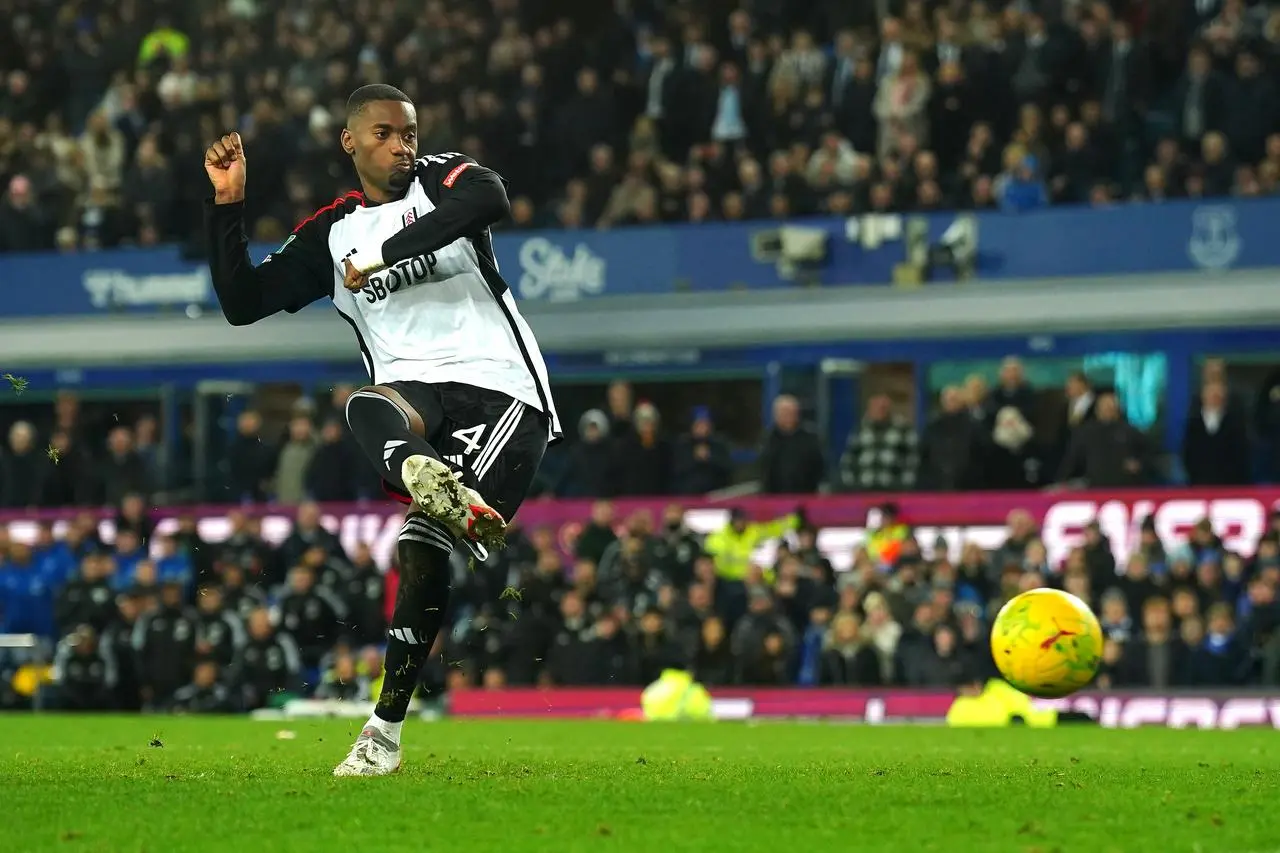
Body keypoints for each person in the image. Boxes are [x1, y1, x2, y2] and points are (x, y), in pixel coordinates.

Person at [202, 83, 563, 776]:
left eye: (410, 132)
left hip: (502, 394)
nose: (404, 145)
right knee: (362, 407)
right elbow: (243, 304)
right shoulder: (332, 235)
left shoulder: (445, 178)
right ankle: (427, 481)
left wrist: (392, 252)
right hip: (415, 395)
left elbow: (491, 201)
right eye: (385, 134)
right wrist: (227, 203)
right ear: (350, 142)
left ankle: (382, 728)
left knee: (421, 543)